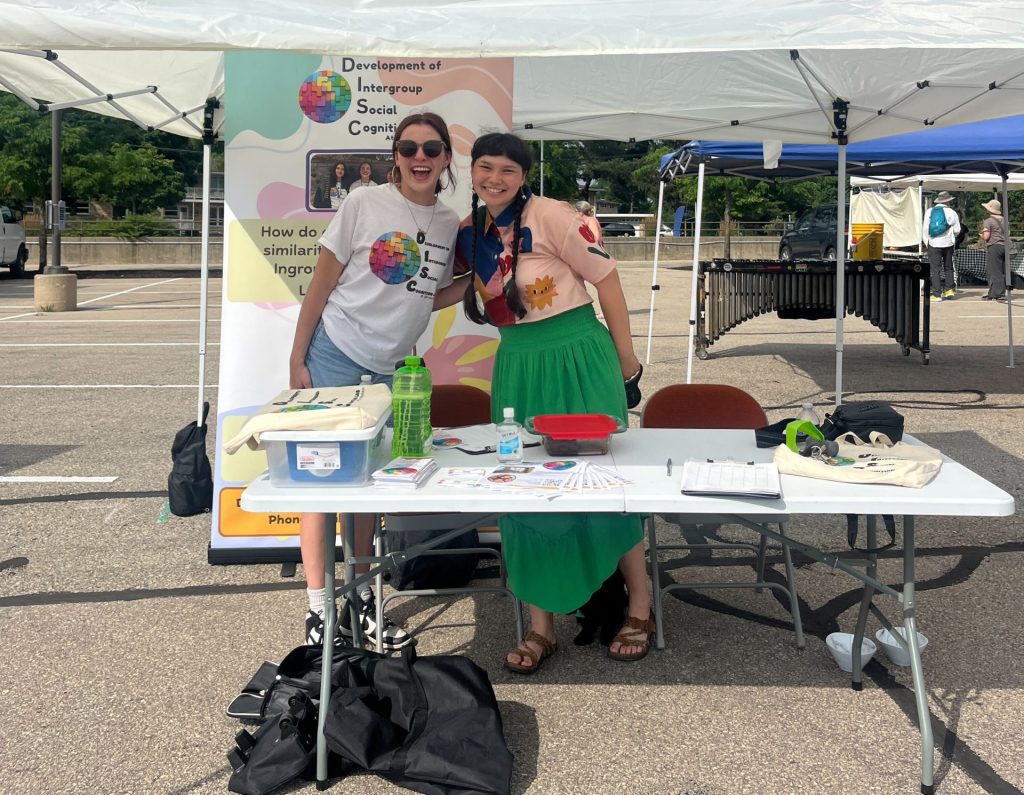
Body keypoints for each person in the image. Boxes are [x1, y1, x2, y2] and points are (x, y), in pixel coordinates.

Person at [455, 132, 651, 673]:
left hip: (577, 355)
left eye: (508, 170)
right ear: (472, 172)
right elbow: (461, 286)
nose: (495, 178)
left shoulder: (553, 216)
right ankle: (540, 626)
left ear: (524, 177)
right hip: (518, 363)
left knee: (606, 486)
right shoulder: (470, 232)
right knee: (523, 489)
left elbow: (607, 282)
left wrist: (626, 363)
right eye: (486, 167)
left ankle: (639, 607)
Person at [289, 111, 461, 648]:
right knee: (320, 485)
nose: (419, 158)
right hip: (335, 354)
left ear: (446, 158)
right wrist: (297, 358)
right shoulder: (363, 203)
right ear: (396, 157)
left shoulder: (449, 222)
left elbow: (428, 294)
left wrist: (480, 282)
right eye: (409, 148)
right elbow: (321, 283)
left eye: (431, 149)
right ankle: (320, 611)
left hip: (390, 370)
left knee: (365, 490)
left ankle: (361, 598)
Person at [921, 190, 961, 302]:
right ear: (948, 201)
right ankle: (949, 290)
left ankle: (937, 294)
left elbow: (925, 228)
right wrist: (951, 235)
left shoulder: (929, 211)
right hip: (948, 243)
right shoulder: (952, 212)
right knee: (949, 267)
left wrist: (926, 242)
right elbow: (957, 230)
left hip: (934, 243)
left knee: (935, 269)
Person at [980, 198, 1010, 302]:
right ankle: (995, 293)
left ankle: (998, 294)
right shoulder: (1005, 220)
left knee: (994, 271)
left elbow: (986, 236)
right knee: (1002, 271)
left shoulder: (988, 221)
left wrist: (981, 235)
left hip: (994, 246)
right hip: (1005, 246)